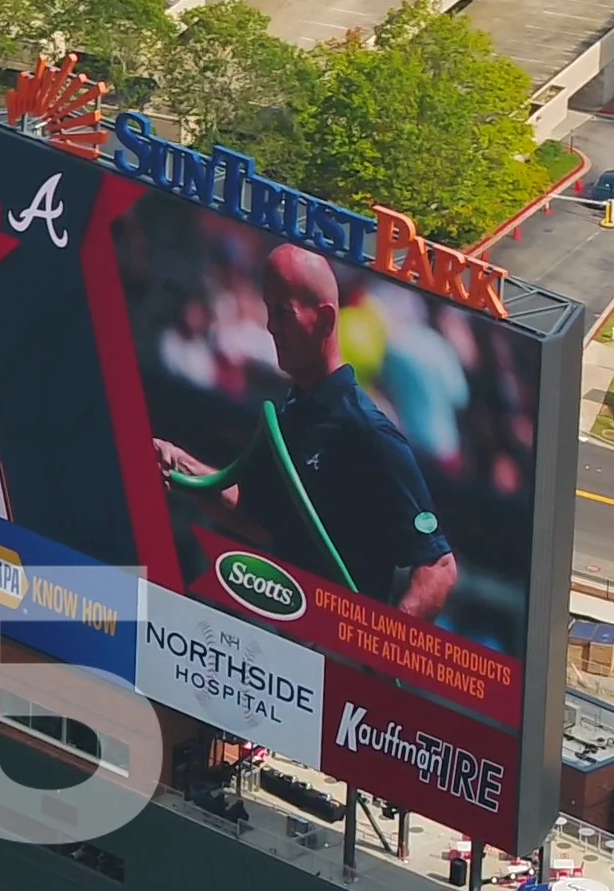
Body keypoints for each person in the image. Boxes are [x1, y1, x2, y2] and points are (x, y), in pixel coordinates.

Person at [154, 243, 464, 621]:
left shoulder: (366, 430)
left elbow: (439, 567)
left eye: (283, 312)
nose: (270, 326)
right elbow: (257, 517)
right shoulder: (293, 411)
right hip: (283, 644)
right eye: (269, 310)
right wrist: (179, 465)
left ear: (324, 321)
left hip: (336, 657)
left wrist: (382, 648)